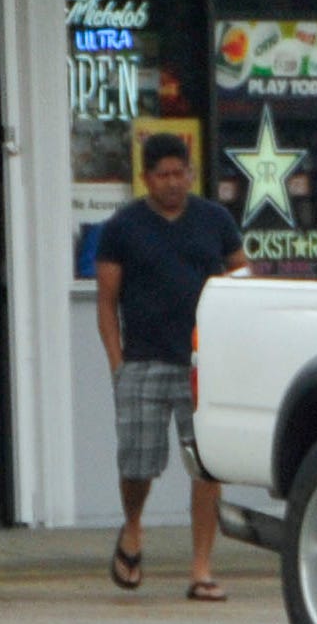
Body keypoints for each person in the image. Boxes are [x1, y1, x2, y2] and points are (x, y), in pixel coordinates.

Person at [94, 130, 246, 599]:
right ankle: (133, 527)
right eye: (163, 175)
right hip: (142, 361)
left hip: (202, 362)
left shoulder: (215, 220)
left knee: (206, 467)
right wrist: (118, 364)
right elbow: (106, 303)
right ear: (146, 178)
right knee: (138, 463)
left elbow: (242, 277)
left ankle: (201, 570)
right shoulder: (123, 227)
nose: (173, 183)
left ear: (190, 173)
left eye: (181, 173)